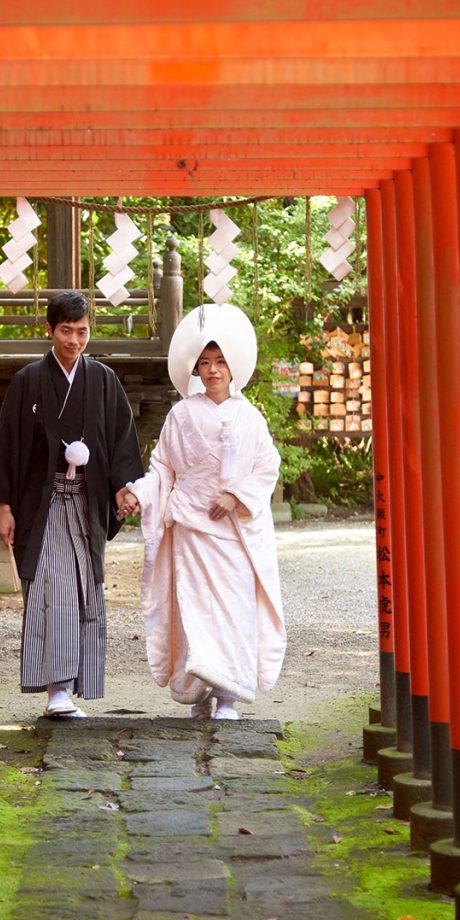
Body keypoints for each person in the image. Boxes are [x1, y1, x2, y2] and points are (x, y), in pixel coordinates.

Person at [119, 303, 286, 720]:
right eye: (205, 363)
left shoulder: (249, 418)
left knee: (234, 609)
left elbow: (268, 466)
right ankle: (201, 693)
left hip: (232, 532)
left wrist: (237, 496)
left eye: (220, 362)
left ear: (233, 367)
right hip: (191, 528)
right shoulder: (181, 415)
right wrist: (140, 493)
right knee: (193, 610)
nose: (213, 371)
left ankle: (228, 694)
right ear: (195, 370)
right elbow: (162, 468)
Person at [0, 290, 144, 718]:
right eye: (66, 331)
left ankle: (75, 683)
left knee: (84, 590)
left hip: (87, 507)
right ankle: (57, 690)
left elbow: (120, 445)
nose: (75, 340)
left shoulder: (104, 381)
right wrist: (5, 506)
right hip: (45, 505)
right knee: (53, 591)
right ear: (50, 330)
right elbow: (9, 449)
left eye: (83, 331)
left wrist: (123, 488)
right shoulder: (28, 381)